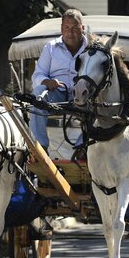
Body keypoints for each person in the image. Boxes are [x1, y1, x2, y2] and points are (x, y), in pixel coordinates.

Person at [30, 9, 87, 151]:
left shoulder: (91, 48)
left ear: (83, 28)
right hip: (56, 93)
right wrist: (47, 82)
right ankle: (40, 147)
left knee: (100, 101)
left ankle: (82, 146)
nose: (70, 33)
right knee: (38, 93)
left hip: (83, 95)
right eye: (66, 28)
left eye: (75, 28)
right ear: (61, 29)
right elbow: (38, 75)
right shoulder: (50, 47)